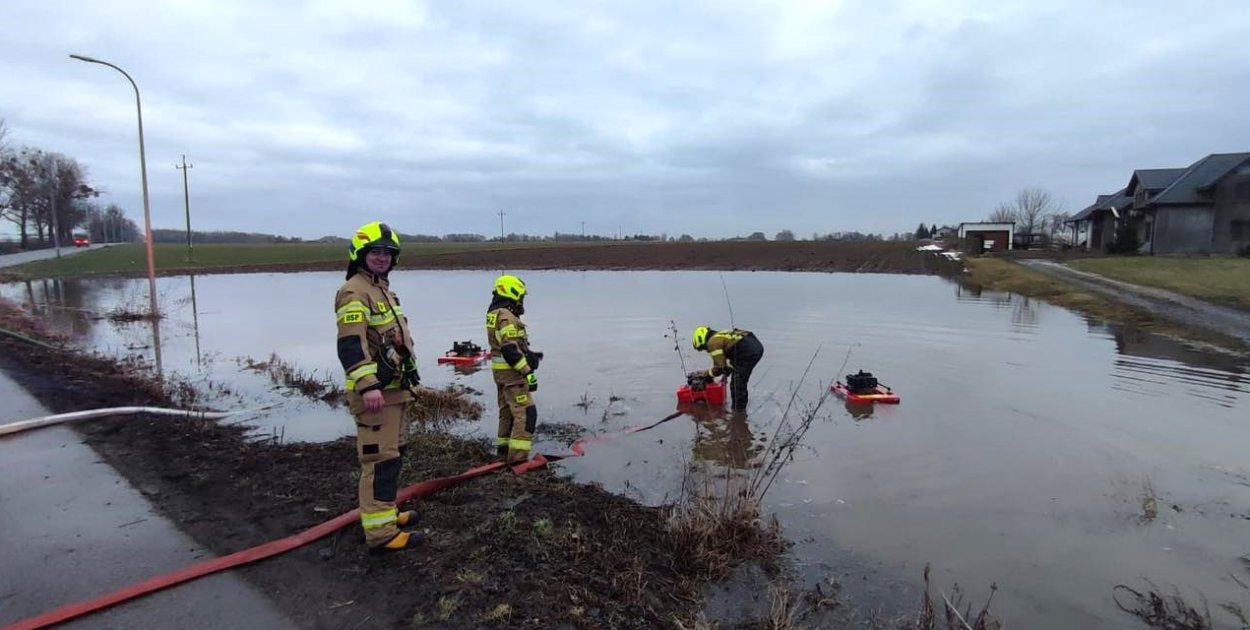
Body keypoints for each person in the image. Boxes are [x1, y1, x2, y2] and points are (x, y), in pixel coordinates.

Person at [334, 221, 423, 552]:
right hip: (376, 395)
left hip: (394, 391)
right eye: (376, 252)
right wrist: (368, 385)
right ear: (361, 255)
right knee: (380, 461)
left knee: (394, 455)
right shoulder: (354, 291)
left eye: (388, 253)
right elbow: (350, 344)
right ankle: (381, 534)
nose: (382, 258)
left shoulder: (382, 289)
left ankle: (386, 513)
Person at [485, 274, 541, 463]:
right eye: (521, 296)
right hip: (513, 376)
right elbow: (509, 349)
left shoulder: (495, 313)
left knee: (507, 413)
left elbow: (510, 345)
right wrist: (528, 372)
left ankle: (502, 454)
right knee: (526, 414)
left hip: (501, 375)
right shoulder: (506, 317)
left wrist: (530, 354)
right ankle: (518, 459)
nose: (522, 301)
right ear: (513, 293)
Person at [691, 326, 764, 410]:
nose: (706, 350)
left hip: (747, 351)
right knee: (737, 381)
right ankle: (739, 412)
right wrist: (727, 370)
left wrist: (706, 375)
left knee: (737, 385)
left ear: (702, 341)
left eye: (703, 348)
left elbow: (719, 368)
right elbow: (727, 361)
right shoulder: (719, 335)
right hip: (753, 345)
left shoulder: (712, 343)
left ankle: (738, 414)